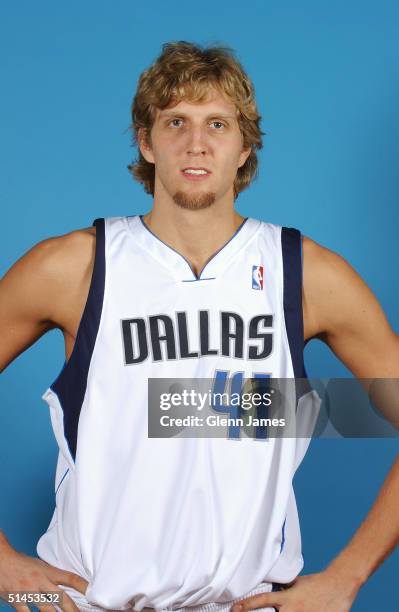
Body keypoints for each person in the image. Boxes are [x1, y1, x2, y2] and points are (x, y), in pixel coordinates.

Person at [0, 41, 398, 612]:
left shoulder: (305, 275)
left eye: (218, 123)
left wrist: (348, 577)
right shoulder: (76, 267)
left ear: (244, 147)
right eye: (175, 122)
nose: (196, 143)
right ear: (147, 141)